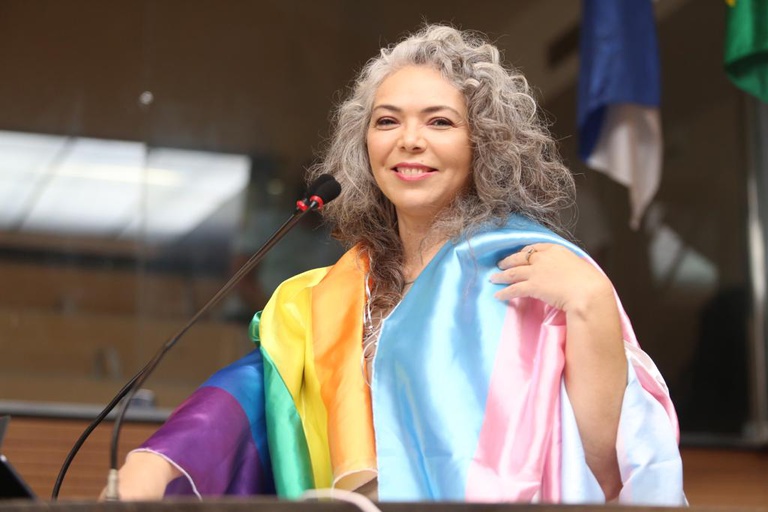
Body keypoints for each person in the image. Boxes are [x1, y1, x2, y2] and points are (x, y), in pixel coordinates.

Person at [111, 24, 685, 504]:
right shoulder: (330, 295)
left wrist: (591, 304)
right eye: (387, 121)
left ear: (484, 143)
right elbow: (263, 394)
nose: (409, 140)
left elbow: (610, 471)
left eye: (440, 122)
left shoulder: (534, 270)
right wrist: (162, 459)